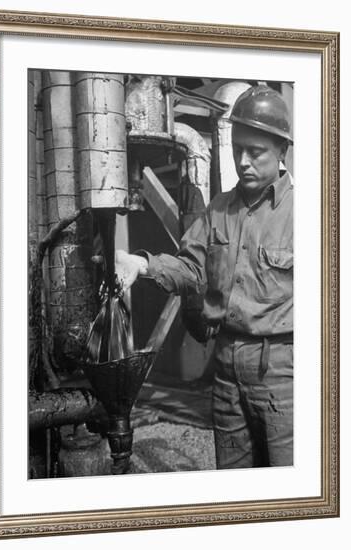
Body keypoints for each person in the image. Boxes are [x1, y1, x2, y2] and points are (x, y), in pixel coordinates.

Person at [116, 85, 294, 469]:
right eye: (237, 149)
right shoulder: (218, 211)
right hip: (226, 368)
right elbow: (192, 268)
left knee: (290, 485)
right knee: (234, 481)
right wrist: (141, 264)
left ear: (282, 150)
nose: (243, 161)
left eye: (256, 152)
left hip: (283, 371)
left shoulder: (310, 212)